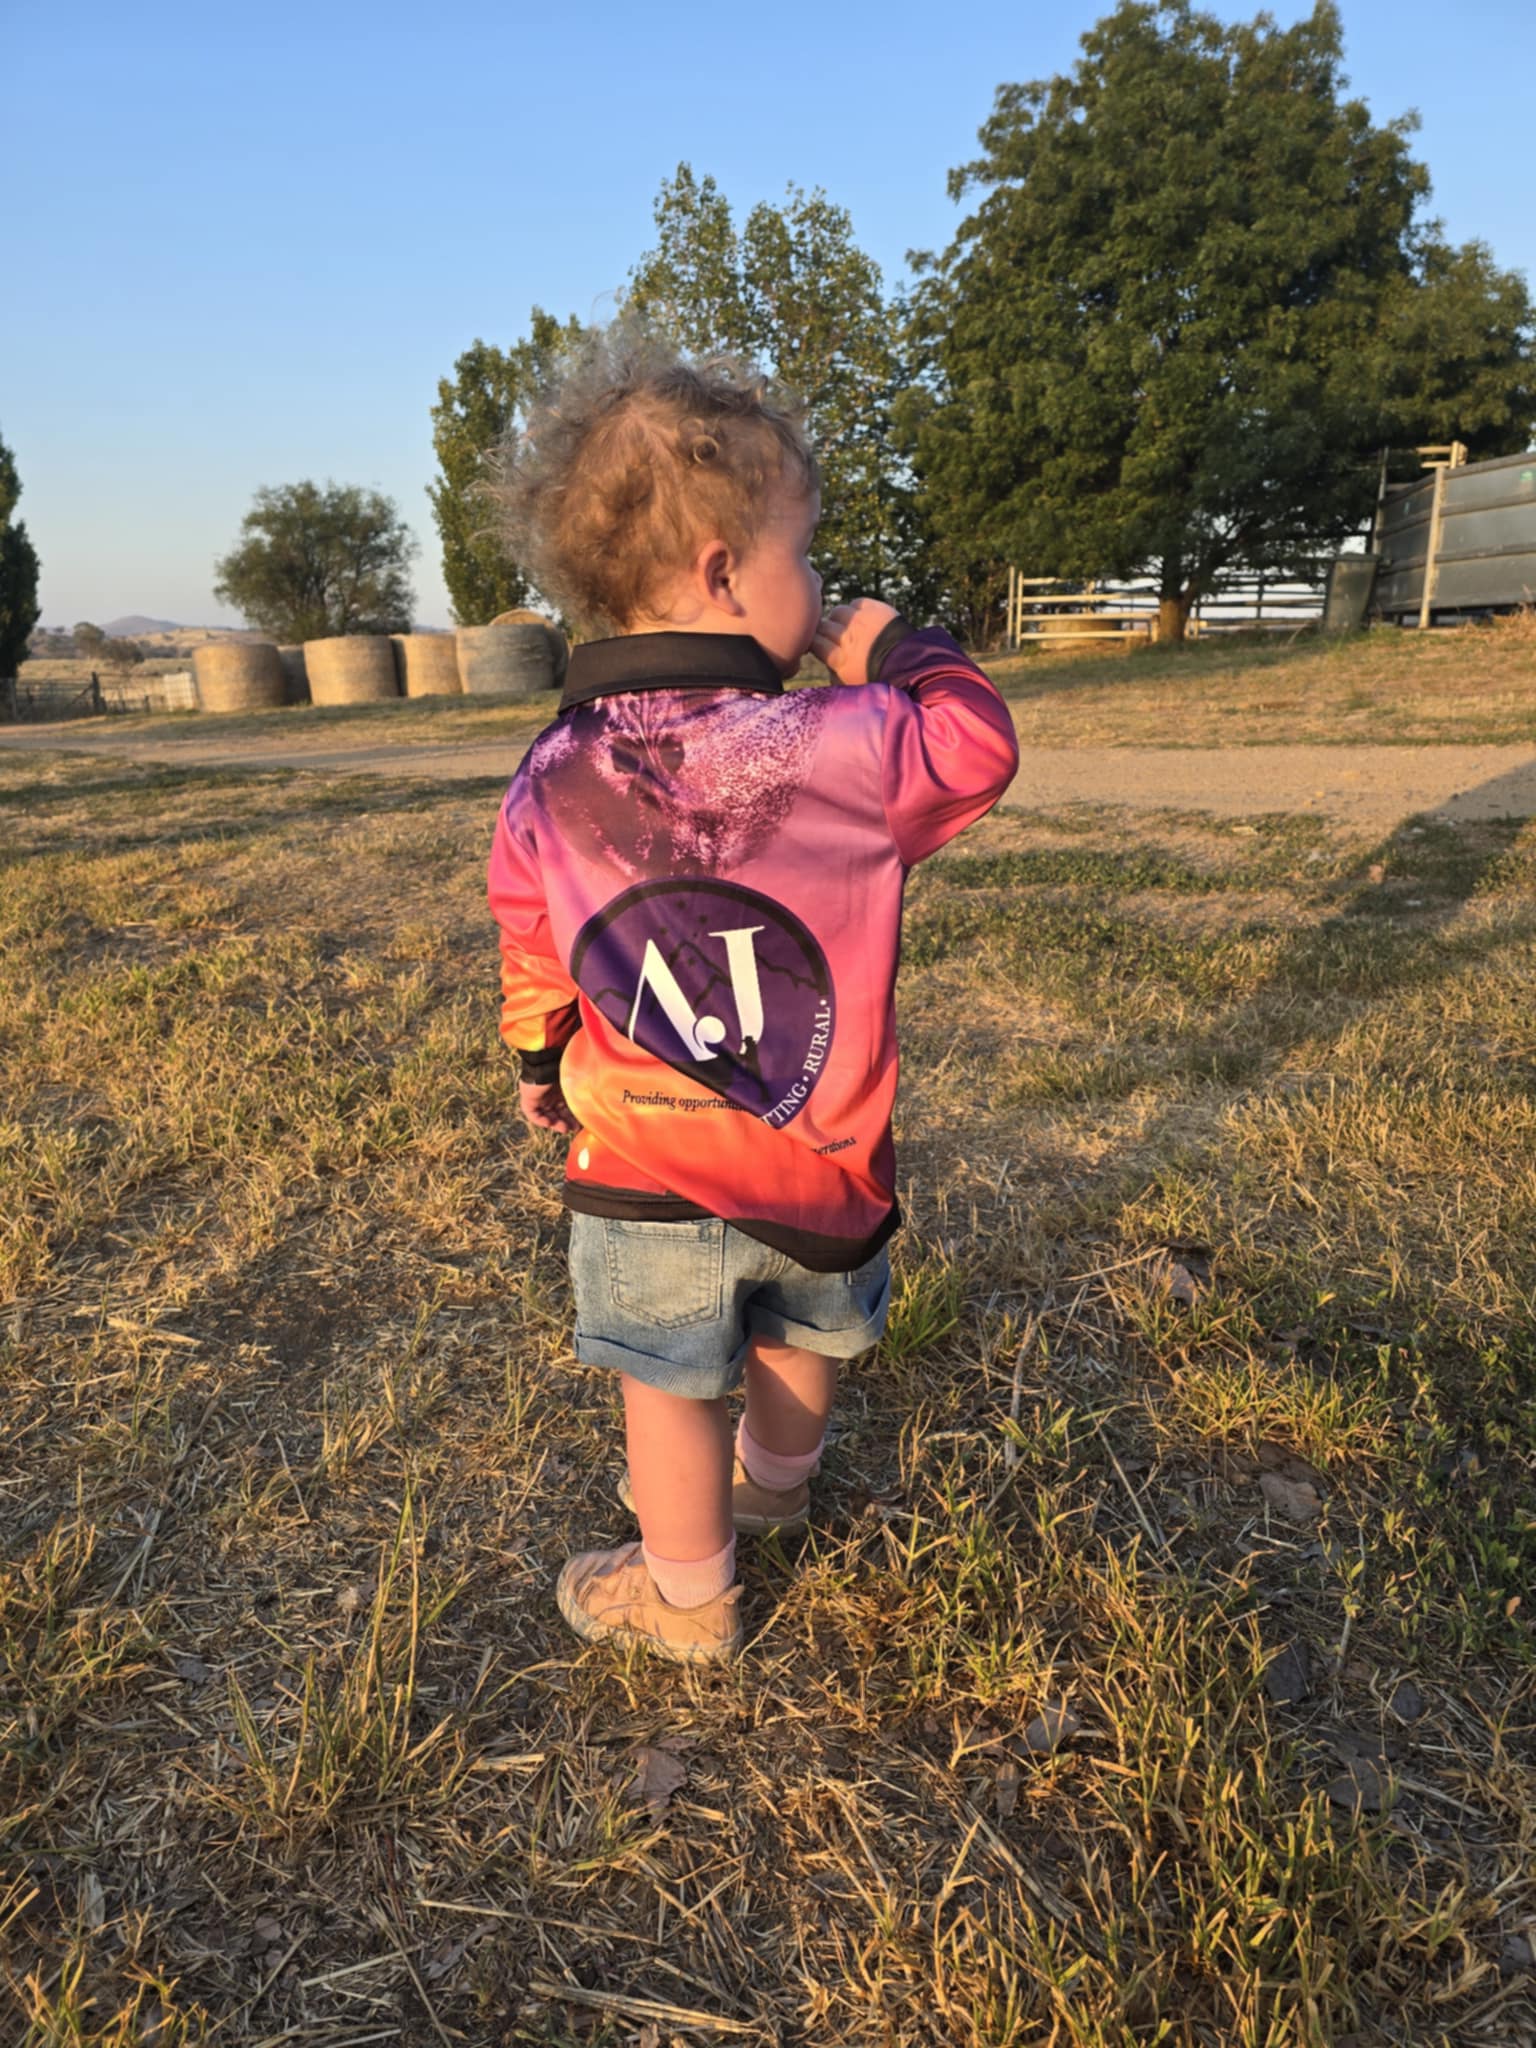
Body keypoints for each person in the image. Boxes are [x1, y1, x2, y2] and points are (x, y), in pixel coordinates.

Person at [487, 326, 1019, 1664]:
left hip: (644, 1157)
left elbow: (531, 940)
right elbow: (976, 746)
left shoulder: (549, 772)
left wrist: (543, 1062)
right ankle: (775, 1494)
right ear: (724, 572)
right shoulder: (849, 742)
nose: (823, 587)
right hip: (817, 1160)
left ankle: (686, 1596)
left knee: (667, 1387)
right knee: (797, 1340)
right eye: (808, 556)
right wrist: (900, 651)